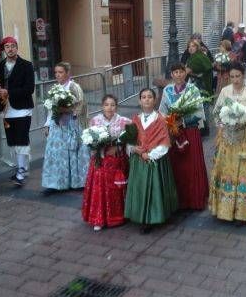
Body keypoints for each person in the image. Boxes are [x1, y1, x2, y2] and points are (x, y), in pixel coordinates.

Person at [210, 63, 246, 224]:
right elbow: (217, 112)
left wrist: (244, 121)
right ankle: (223, 210)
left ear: (243, 75)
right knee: (225, 172)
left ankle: (243, 213)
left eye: (238, 76)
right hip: (227, 140)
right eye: (232, 77)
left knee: (244, 175)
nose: (235, 80)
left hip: (245, 140)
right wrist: (223, 123)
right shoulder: (225, 91)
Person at [125, 88, 178, 233]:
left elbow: (164, 143)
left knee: (155, 188)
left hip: (154, 160)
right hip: (139, 160)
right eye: (143, 97)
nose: (146, 99)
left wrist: (151, 155)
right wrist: (134, 149)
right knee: (140, 188)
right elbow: (130, 140)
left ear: (155, 101)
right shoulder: (135, 119)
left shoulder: (161, 119)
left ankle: (153, 217)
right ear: (139, 101)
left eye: (149, 97)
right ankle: (140, 214)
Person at [159, 64, 209, 210]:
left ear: (185, 73)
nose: (179, 75)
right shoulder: (167, 90)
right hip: (174, 132)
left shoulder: (192, 90)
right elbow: (162, 111)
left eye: (181, 72)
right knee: (177, 165)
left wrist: (184, 120)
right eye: (176, 72)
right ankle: (178, 200)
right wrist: (170, 121)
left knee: (192, 164)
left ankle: (195, 199)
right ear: (172, 74)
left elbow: (199, 112)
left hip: (190, 132)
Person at [81, 95, 131, 231]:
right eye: (107, 105)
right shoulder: (95, 121)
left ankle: (119, 216)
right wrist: (99, 150)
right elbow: (89, 140)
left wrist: (118, 147)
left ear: (117, 106)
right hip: (100, 160)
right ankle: (99, 218)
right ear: (102, 106)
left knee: (116, 189)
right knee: (99, 188)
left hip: (117, 160)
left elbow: (130, 138)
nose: (110, 108)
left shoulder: (124, 121)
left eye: (113, 105)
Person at [0, 36, 35, 186]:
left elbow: (29, 89)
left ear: (17, 48)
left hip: (22, 108)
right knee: (12, 140)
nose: (10, 49)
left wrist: (8, 91)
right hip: (6, 109)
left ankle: (21, 171)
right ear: (4, 50)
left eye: (13, 46)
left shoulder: (26, 65)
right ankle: (21, 167)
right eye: (7, 47)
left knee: (21, 138)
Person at [41, 62, 89, 194]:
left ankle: (76, 182)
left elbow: (81, 105)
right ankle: (55, 183)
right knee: (56, 154)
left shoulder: (74, 87)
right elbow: (51, 109)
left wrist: (67, 110)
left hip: (72, 125)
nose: (57, 75)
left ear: (68, 73)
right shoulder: (55, 88)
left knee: (73, 152)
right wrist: (47, 125)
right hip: (57, 126)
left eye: (60, 72)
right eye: (56, 72)